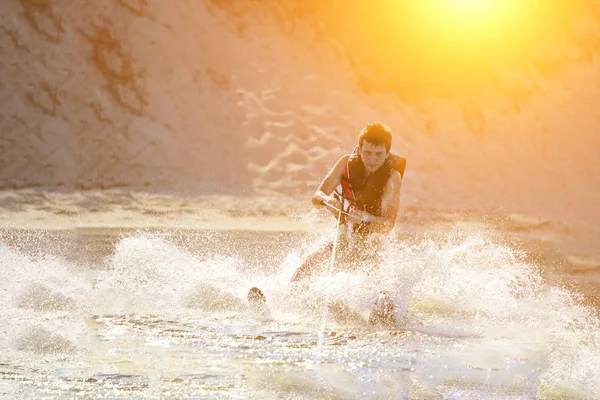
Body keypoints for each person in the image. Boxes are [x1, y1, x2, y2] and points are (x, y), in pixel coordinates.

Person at [290, 122, 406, 283]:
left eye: (379, 154)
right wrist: (328, 200)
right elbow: (317, 196)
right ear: (359, 150)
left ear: (387, 154)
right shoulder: (346, 163)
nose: (372, 160)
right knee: (307, 265)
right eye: (367, 152)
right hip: (346, 232)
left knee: (378, 287)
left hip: (374, 240)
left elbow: (387, 225)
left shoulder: (393, 179)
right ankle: (289, 295)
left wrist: (363, 217)